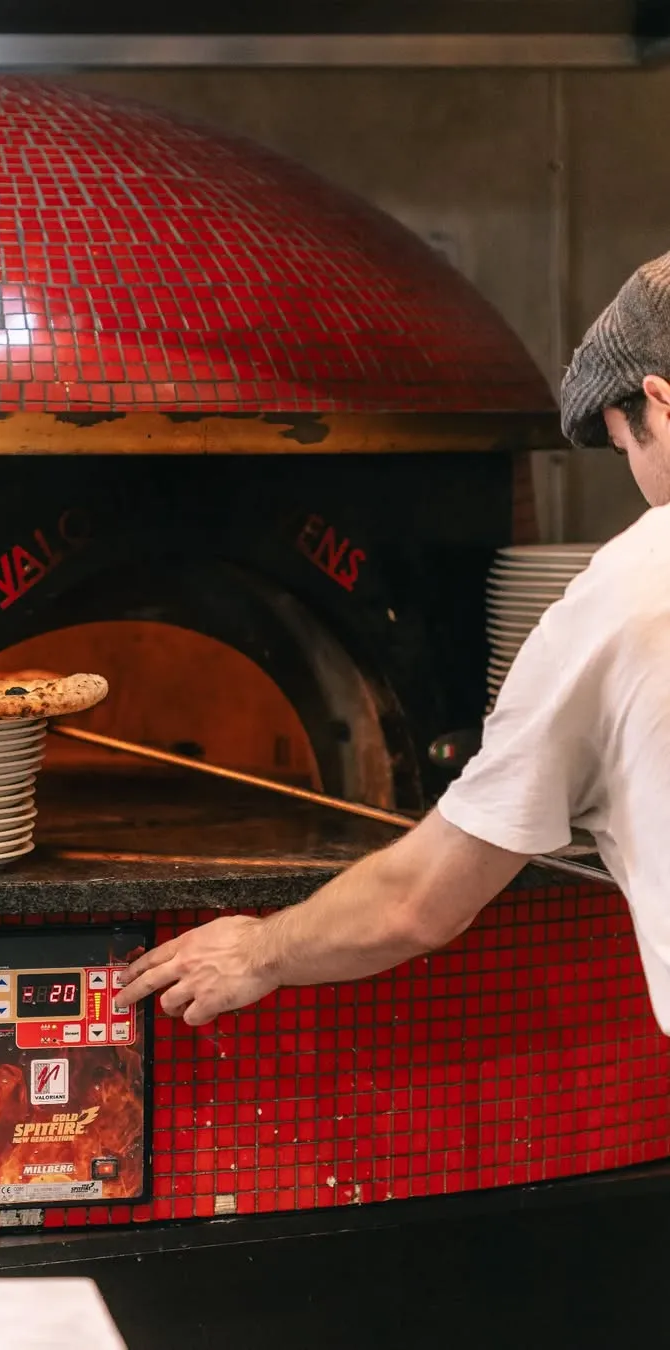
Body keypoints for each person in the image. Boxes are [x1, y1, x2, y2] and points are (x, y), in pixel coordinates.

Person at [116, 249, 670, 1031]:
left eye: (627, 445)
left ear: (662, 401)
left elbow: (420, 903)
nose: (640, 481)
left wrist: (257, 951)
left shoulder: (629, 592)